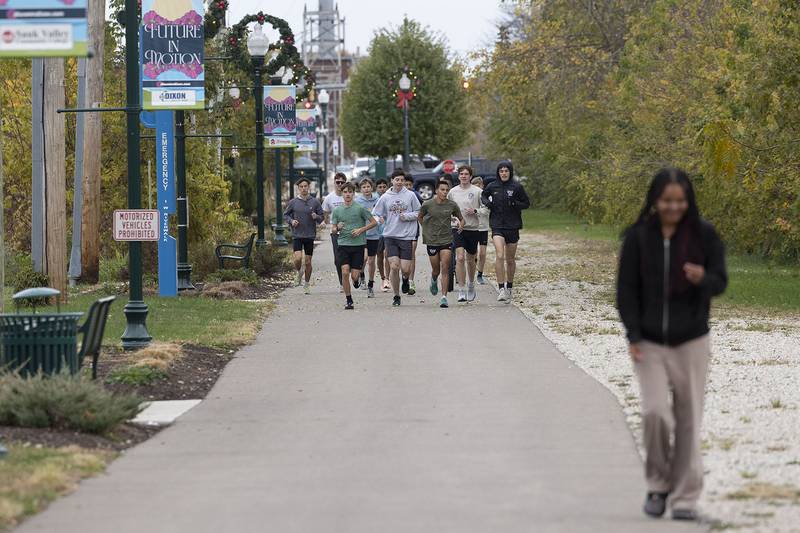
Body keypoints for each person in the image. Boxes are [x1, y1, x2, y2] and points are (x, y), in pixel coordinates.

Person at [616, 168, 727, 522]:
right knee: (654, 413)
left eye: (680, 201)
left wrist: (702, 279)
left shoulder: (704, 236)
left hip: (692, 340)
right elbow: (625, 291)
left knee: (688, 418)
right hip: (649, 341)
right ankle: (657, 485)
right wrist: (633, 334)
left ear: (688, 200)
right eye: (667, 200)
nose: (673, 207)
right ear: (655, 200)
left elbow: (720, 282)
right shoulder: (637, 237)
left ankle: (684, 498)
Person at [482, 161, 530, 303]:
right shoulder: (492, 186)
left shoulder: (517, 186)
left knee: (510, 260)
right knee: (499, 255)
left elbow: (526, 203)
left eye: (506, 171)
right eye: (501, 171)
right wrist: (487, 203)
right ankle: (501, 288)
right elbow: (483, 196)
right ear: (498, 172)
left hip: (513, 226)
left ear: (510, 172)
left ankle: (509, 286)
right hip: (497, 225)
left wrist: (515, 204)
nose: (503, 173)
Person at [372, 169, 421, 306]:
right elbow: (375, 213)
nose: (399, 182)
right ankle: (396, 295)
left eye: (401, 180)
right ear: (392, 181)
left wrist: (406, 216)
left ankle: (405, 280)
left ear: (404, 181)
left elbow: (419, 212)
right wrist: (379, 219)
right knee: (394, 266)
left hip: (406, 236)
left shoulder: (410, 195)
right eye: (397, 180)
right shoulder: (385, 197)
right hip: (390, 236)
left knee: (405, 269)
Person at [330, 182, 377, 310]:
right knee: (345, 272)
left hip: (358, 245)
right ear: (342, 194)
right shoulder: (337, 210)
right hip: (343, 245)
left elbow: (374, 222)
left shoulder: (360, 208)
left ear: (353, 193)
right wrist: (336, 228)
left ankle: (356, 280)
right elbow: (333, 229)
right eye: (345, 192)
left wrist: (361, 230)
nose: (347, 194)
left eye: (350, 192)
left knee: (354, 275)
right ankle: (349, 299)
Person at [419, 179, 464, 308]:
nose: (445, 192)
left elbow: (461, 218)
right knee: (436, 269)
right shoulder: (427, 204)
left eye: (446, 190)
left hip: (446, 239)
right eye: (442, 190)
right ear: (436, 191)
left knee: (445, 267)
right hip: (432, 240)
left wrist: (461, 224)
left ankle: (444, 297)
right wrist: (426, 230)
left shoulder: (452, 205)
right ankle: (433, 280)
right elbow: (420, 217)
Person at [448, 165, 487, 302]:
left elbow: (486, 209)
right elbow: (447, 209)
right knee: (459, 258)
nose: (464, 176)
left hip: (473, 228)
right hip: (457, 228)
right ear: (458, 176)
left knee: (470, 259)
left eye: (466, 174)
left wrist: (476, 211)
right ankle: (462, 290)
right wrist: (452, 217)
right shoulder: (452, 192)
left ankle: (471, 284)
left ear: (470, 176)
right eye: (461, 174)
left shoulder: (478, 191)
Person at [283, 178, 323, 294]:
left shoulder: (314, 202)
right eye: (301, 186)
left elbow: (321, 217)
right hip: (297, 235)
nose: (304, 188)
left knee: (308, 262)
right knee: (298, 258)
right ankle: (299, 272)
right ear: (298, 188)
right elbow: (286, 215)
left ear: (309, 187)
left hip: (310, 235)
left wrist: (317, 217)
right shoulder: (293, 202)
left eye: (306, 186)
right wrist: (291, 221)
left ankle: (306, 284)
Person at [355, 178, 381, 298]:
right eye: (364, 187)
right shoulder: (357, 202)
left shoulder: (378, 200)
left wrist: (382, 219)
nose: (366, 189)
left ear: (372, 188)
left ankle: (370, 285)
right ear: (361, 189)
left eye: (368, 187)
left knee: (371, 260)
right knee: (364, 258)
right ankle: (361, 275)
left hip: (374, 234)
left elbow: (382, 213)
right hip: (362, 234)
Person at [322, 173, 347, 289]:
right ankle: (342, 282)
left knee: (349, 257)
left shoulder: (348, 195)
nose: (340, 184)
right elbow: (325, 215)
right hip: (335, 232)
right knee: (338, 259)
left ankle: (348, 275)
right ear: (334, 183)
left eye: (342, 182)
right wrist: (324, 222)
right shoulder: (329, 198)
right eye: (338, 182)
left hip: (349, 232)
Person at [403, 174, 423, 296]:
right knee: (401, 257)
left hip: (413, 229)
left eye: (410, 185)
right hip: (398, 231)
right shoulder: (395, 196)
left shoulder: (415, 196)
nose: (408, 187)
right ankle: (404, 277)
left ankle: (411, 281)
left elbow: (422, 210)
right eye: (406, 184)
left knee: (411, 254)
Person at [471, 176, 490, 285]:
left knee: (482, 253)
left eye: (479, 186)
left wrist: (476, 211)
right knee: (473, 254)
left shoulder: (485, 197)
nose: (477, 188)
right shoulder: (471, 197)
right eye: (475, 186)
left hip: (483, 228)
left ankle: (480, 274)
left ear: (482, 186)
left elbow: (487, 211)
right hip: (472, 228)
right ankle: (472, 273)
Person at [375, 178, 390, 292]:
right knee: (379, 256)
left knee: (387, 255)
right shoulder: (375, 199)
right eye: (379, 187)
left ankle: (388, 279)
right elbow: (372, 214)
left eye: (384, 186)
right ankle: (382, 277)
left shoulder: (390, 198)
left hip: (389, 232)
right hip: (377, 233)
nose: (382, 189)